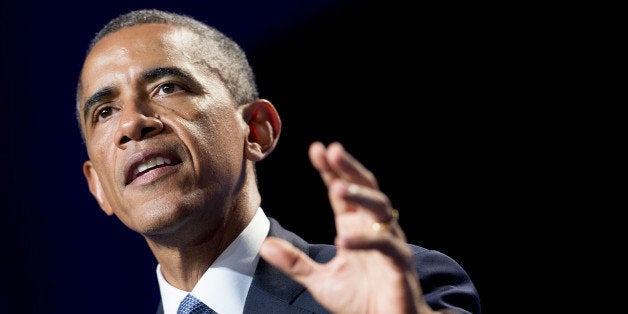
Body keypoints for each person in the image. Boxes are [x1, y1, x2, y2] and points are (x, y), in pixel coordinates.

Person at [75, 8, 481, 314]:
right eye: (104, 112)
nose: (132, 123)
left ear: (256, 130)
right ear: (98, 187)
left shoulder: (394, 288)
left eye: (167, 87)